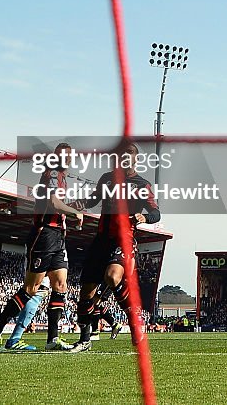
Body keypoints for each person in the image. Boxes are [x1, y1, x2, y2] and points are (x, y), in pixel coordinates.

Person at [0, 143, 83, 351]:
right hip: (44, 234)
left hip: (58, 237)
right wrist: (74, 212)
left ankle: (52, 340)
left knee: (61, 285)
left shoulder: (63, 178)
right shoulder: (52, 175)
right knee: (31, 289)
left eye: (69, 157)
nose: (68, 160)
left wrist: (72, 210)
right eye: (64, 156)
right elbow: (54, 203)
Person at [70, 140, 160, 353]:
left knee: (112, 277)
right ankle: (85, 340)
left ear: (136, 159)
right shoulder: (107, 179)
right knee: (86, 293)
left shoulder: (142, 184)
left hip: (124, 239)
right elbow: (94, 200)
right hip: (101, 239)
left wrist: (144, 217)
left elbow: (156, 212)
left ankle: (134, 319)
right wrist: (79, 203)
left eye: (129, 155)